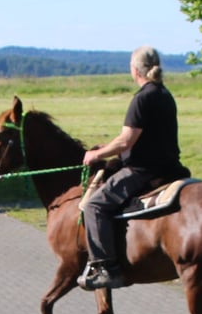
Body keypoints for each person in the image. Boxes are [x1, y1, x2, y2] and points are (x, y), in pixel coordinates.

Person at [77, 45, 190, 290]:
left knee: (94, 206)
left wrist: (96, 154)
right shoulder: (164, 94)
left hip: (143, 170)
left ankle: (107, 267)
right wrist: (110, 148)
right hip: (170, 167)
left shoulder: (142, 98)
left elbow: (127, 141)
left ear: (135, 70)